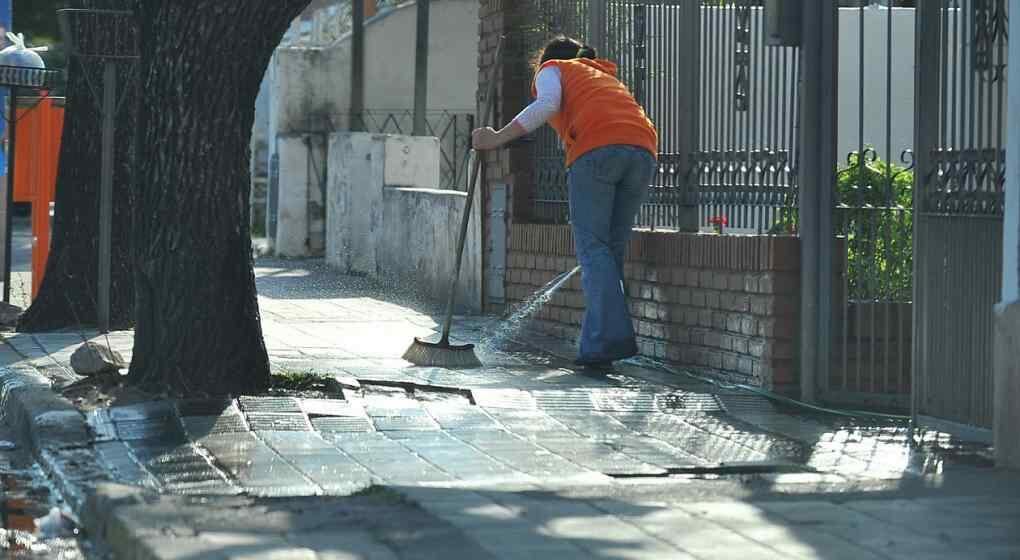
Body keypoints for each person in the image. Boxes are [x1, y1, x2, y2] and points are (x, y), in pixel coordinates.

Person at [472, 35, 659, 369]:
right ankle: (596, 347)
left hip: (598, 151)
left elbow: (546, 106)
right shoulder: (602, 75)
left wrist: (497, 138)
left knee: (592, 249)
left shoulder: (553, 68)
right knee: (608, 252)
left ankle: (610, 339)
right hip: (642, 150)